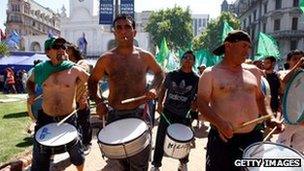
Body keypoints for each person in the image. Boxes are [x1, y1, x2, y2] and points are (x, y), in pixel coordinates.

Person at [197, 30, 282, 171]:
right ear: (228, 46)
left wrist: (270, 118)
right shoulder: (210, 73)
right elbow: (202, 104)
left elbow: (260, 98)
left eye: (249, 47)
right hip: (223, 139)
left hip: (253, 138)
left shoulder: (254, 71)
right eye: (244, 46)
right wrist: (220, 123)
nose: (247, 51)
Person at [88, 14, 164, 171]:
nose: (123, 31)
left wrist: (154, 88)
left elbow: (160, 73)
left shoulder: (145, 56)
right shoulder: (106, 59)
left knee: (140, 163)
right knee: (120, 159)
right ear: (114, 32)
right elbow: (92, 81)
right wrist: (99, 101)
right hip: (114, 114)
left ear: (134, 32)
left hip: (140, 113)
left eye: (128, 27)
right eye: (119, 28)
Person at [27, 37, 88, 171]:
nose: (61, 49)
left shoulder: (75, 70)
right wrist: (31, 94)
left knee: (77, 154)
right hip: (46, 118)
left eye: (63, 47)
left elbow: (88, 81)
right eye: (57, 47)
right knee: (40, 157)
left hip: (69, 118)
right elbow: (29, 82)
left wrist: (83, 96)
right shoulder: (40, 69)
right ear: (48, 52)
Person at [150, 50, 199, 171]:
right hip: (168, 112)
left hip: (184, 114)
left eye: (190, 58)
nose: (187, 59)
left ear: (194, 62)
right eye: (185, 57)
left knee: (185, 141)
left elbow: (199, 97)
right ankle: (156, 165)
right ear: (181, 59)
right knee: (161, 138)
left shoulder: (196, 79)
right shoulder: (172, 74)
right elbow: (163, 89)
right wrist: (159, 104)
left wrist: (195, 106)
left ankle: (183, 163)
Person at [66, 43, 92, 155]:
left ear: (73, 51)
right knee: (73, 124)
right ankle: (75, 146)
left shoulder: (82, 63)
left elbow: (80, 76)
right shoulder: (65, 65)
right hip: (70, 101)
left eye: (68, 49)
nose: (65, 51)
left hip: (81, 98)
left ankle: (87, 143)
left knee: (84, 122)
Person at [276, 50, 304, 153]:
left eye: (300, 58)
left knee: (299, 150)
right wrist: (298, 65)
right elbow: (284, 80)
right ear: (289, 61)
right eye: (295, 59)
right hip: (289, 117)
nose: (298, 61)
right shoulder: (283, 73)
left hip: (302, 120)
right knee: (281, 147)